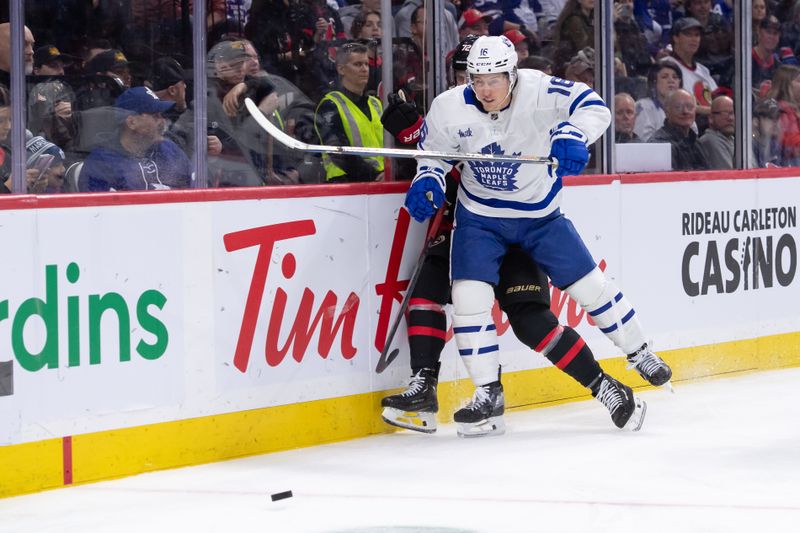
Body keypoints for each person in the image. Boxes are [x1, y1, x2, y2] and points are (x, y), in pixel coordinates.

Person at [403, 35, 672, 435]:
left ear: (512, 74)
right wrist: (428, 177)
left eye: (494, 79)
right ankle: (487, 392)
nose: (485, 89)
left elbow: (594, 106)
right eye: (477, 79)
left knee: (591, 288)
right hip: (481, 218)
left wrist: (573, 133)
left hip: (540, 217)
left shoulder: (541, 89)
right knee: (467, 299)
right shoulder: (449, 106)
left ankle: (639, 352)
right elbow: (434, 154)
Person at [79, 86, 192, 191]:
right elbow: (101, 210)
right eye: (155, 116)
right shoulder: (102, 163)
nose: (162, 121)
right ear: (132, 122)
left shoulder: (169, 149)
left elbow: (195, 188)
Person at [314, 42, 384, 183]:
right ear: (341, 69)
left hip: (383, 181)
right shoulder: (330, 105)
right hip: (345, 185)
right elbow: (338, 151)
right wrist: (375, 176)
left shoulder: (375, 103)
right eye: (358, 64)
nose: (364, 69)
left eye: (366, 64)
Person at [661, 17, 717, 132]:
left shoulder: (703, 70)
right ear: (676, 38)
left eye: (697, 35)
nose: (694, 39)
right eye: (688, 35)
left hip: (710, 127)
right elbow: (669, 103)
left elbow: (717, 98)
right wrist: (713, 111)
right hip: (685, 128)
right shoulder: (666, 66)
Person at [650, 88, 709, 170]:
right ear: (667, 111)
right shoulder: (660, 144)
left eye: (690, 107)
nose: (685, 111)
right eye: (678, 107)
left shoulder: (696, 142)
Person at [634, 60, 683, 141]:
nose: (671, 81)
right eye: (664, 77)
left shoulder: (686, 110)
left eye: (675, 77)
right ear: (654, 82)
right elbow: (643, 141)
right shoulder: (642, 106)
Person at [697, 94, 734, 169]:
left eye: (732, 113)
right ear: (711, 118)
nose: (730, 118)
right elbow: (728, 176)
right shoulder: (710, 141)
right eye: (725, 113)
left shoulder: (733, 140)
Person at [752, 97, 781, 168]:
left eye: (777, 118)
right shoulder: (748, 148)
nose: (775, 122)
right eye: (770, 118)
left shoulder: (777, 145)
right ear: (756, 121)